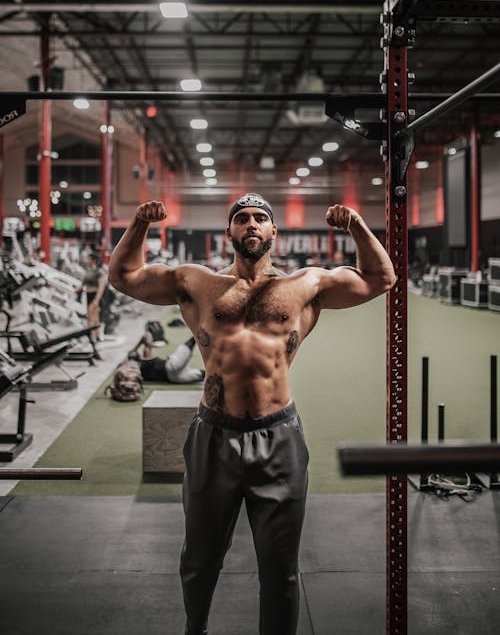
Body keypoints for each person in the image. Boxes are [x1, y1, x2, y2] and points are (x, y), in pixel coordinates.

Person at [108, 193, 396, 635]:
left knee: (280, 569)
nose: (251, 224)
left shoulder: (305, 285)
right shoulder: (197, 282)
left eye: (261, 218)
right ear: (229, 232)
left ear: (274, 232)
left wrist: (356, 224)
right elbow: (124, 275)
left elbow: (381, 278)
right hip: (213, 436)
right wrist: (140, 224)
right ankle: (195, 629)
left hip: (278, 438)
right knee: (199, 560)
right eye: (241, 219)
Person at [128, 334, 205, 383]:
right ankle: (199, 332)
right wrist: (135, 348)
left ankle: (198, 333)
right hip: (171, 368)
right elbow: (146, 336)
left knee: (201, 374)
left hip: (174, 379)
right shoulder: (145, 358)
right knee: (188, 346)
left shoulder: (137, 370)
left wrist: (134, 350)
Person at [75, 252, 107, 342]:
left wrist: (97, 300)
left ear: (93, 260)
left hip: (95, 296)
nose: (86, 261)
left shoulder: (99, 272)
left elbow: (101, 287)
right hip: (87, 296)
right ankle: (96, 337)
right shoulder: (88, 271)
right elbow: (82, 284)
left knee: (93, 318)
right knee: (92, 317)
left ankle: (94, 337)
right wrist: (74, 291)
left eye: (88, 259)